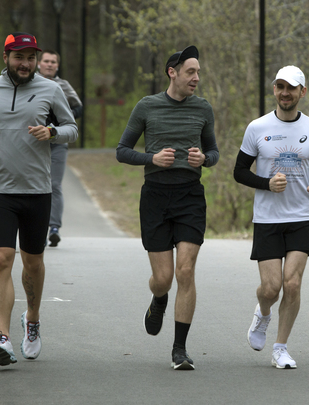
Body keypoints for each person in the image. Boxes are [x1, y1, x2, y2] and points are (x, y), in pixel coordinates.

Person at [0, 32, 78, 366]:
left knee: (32, 263)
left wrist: (52, 132)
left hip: (36, 191)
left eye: (31, 57)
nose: (26, 63)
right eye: (19, 57)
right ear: (6, 57)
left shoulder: (51, 89)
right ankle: (3, 339)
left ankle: (32, 318)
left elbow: (72, 128)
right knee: (1, 259)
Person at [116, 45, 218, 370]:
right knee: (163, 278)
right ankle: (159, 299)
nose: (196, 78)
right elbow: (121, 150)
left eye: (198, 72)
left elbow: (214, 153)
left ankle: (179, 349)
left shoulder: (203, 109)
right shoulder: (147, 107)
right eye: (191, 72)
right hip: (156, 197)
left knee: (185, 271)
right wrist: (152, 159)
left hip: (190, 196)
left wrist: (204, 159)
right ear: (172, 72)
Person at [234, 65, 309, 369]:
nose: (285, 93)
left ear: (302, 92)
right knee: (271, 288)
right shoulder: (257, 128)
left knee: (293, 284)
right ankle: (263, 313)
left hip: (301, 214)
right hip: (267, 218)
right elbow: (239, 171)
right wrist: (266, 184)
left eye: (291, 88)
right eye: (280, 87)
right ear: (274, 90)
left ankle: (280, 347)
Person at [37, 50, 84, 247]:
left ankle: (54, 228)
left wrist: (60, 119)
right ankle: (35, 227)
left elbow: (78, 108)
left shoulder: (63, 85)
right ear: (39, 63)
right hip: (35, 143)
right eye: (46, 61)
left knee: (54, 185)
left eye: (53, 62)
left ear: (57, 65)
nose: (49, 64)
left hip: (57, 143)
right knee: (35, 185)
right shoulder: (31, 84)